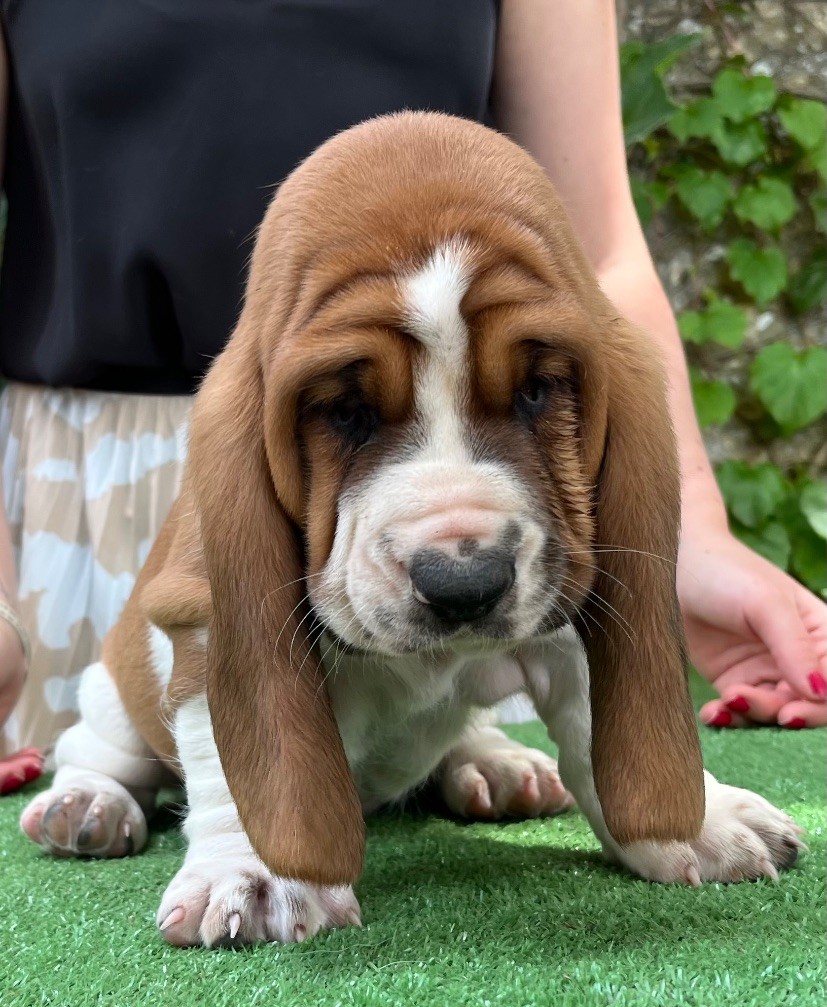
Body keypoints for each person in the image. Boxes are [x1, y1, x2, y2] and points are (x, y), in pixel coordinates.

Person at [1, 1, 824, 792]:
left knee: (458, 703)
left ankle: (458, 746)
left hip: (487, 462)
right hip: (87, 488)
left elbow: (597, 262)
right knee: (140, 723)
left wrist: (687, 531)